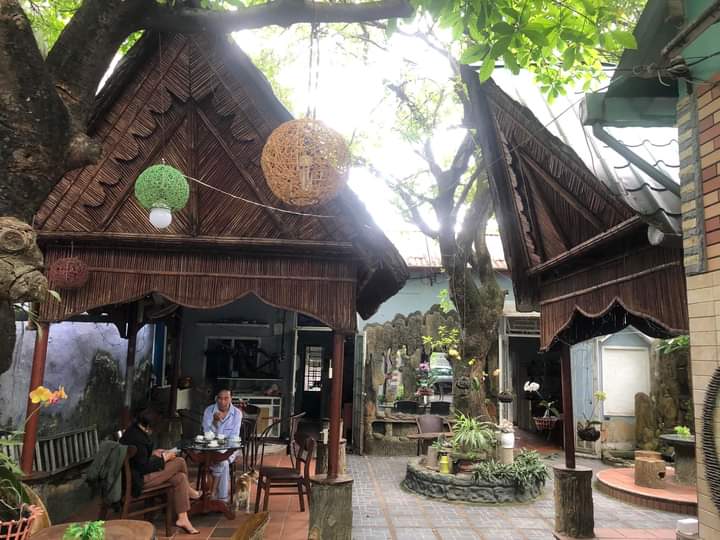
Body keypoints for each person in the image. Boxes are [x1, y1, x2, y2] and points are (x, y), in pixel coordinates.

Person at [120, 409, 201, 535]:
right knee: (179, 462)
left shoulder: (133, 430)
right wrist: (164, 458)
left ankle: (183, 518)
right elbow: (144, 467)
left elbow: (139, 457)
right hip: (138, 480)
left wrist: (154, 453)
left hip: (137, 474)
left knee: (180, 478)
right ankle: (190, 491)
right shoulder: (138, 439)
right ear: (149, 426)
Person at [202, 389, 242, 501]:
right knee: (223, 462)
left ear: (231, 399)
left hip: (230, 448)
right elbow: (207, 434)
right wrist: (214, 422)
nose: (222, 402)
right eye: (220, 398)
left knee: (222, 459)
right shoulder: (209, 411)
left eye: (226, 398)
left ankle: (213, 493)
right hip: (211, 448)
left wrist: (223, 449)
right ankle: (222, 499)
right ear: (216, 398)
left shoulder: (237, 413)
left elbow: (234, 437)